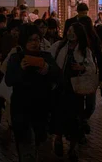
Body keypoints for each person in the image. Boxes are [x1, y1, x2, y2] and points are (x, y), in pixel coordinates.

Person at [6, 25, 61, 161]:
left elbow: (59, 76)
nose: (34, 43)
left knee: (40, 142)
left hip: (42, 107)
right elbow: (9, 80)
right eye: (30, 40)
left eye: (37, 40)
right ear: (24, 41)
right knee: (25, 146)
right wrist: (21, 70)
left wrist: (48, 69)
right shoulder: (16, 58)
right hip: (21, 108)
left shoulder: (46, 57)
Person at [51, 22, 97, 162]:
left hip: (75, 90)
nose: (70, 33)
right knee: (59, 115)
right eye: (69, 31)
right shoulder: (59, 46)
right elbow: (50, 60)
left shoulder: (84, 50)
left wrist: (81, 67)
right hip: (60, 87)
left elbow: (92, 67)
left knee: (75, 119)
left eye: (74, 31)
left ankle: (72, 148)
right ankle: (58, 140)